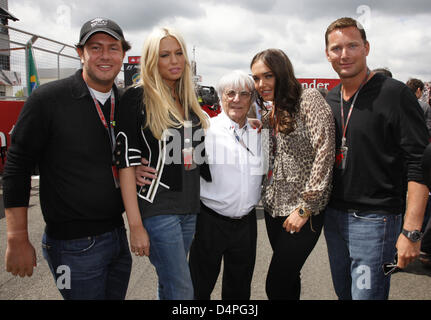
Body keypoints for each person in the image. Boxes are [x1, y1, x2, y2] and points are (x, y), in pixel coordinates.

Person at [3, 18, 139, 300]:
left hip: (117, 235)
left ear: (123, 55)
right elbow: (17, 166)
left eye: (113, 48)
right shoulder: (48, 100)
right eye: (95, 47)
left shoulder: (125, 100)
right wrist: (16, 237)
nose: (105, 56)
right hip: (71, 246)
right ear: (81, 53)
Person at [324, 17, 429, 300]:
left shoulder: (395, 94)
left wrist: (412, 231)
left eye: (352, 46)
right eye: (336, 48)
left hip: (375, 221)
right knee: (345, 294)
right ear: (327, 54)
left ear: (366, 48)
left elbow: (419, 163)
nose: (344, 54)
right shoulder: (330, 99)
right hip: (333, 218)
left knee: (366, 296)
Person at [114, 27, 210, 300]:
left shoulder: (189, 99)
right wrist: (135, 225)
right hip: (158, 208)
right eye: (165, 55)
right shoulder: (137, 96)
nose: (175, 60)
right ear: (152, 60)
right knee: (182, 290)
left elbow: (193, 156)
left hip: (190, 207)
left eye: (179, 53)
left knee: (168, 284)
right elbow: (125, 163)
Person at [250, 48, 335, 300]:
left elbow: (325, 151)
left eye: (267, 76)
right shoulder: (269, 111)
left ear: (282, 73)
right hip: (273, 208)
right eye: (256, 78)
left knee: (275, 284)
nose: (261, 84)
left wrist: (305, 207)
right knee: (289, 279)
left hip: (302, 212)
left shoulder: (308, 99)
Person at [188, 70, 263, 300]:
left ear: (251, 98)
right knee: (199, 287)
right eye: (230, 93)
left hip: (247, 225)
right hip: (210, 222)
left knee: (239, 290)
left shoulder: (260, 132)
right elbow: (173, 163)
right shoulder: (204, 130)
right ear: (221, 96)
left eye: (243, 94)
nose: (237, 99)